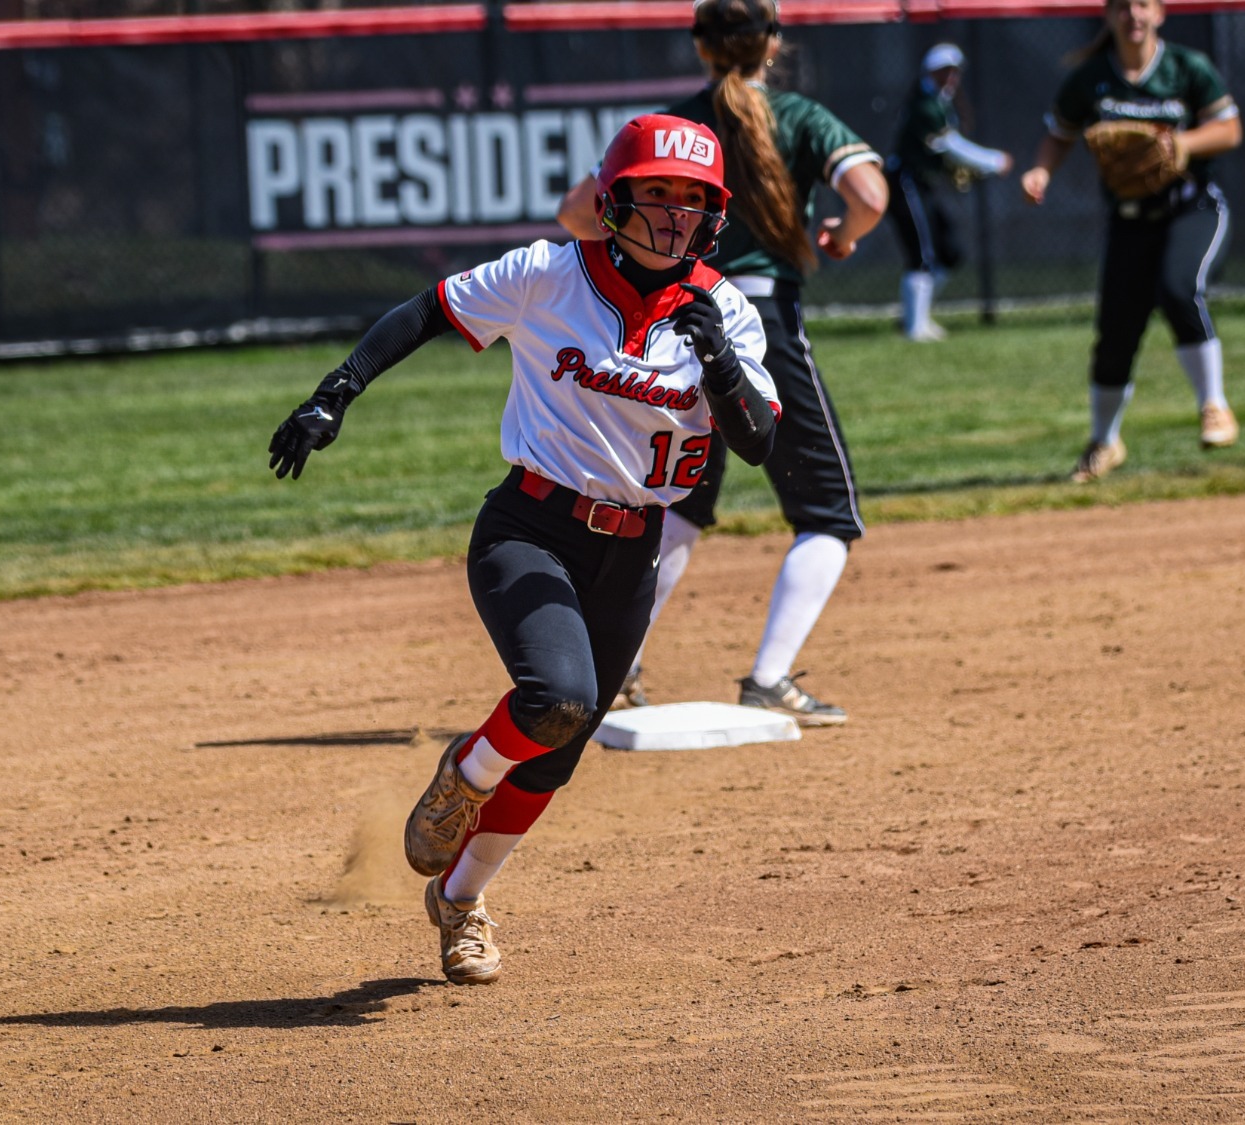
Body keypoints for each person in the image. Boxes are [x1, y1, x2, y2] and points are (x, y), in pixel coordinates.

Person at [269, 116, 780, 985]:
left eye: (693, 198)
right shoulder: (549, 273)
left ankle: (459, 900)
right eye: (657, 191)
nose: (674, 212)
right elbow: (428, 309)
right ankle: (464, 774)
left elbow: (759, 440)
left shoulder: (724, 309)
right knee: (557, 697)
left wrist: (721, 360)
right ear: (614, 198)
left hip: (634, 551)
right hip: (531, 528)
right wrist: (335, 392)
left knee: (559, 749)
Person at [558, 0, 888, 726]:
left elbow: (578, 212)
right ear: (773, 42)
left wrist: (644, 253)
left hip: (678, 319)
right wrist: (842, 235)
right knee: (828, 514)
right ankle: (769, 678)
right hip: (759, 319)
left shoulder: (672, 127)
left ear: (699, 45)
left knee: (679, 501)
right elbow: (870, 193)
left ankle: (614, 666)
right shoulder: (798, 115)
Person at [1019, 0, 1244, 483]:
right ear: (1108, 15)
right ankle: (1104, 442)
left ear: (1160, 13)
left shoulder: (1186, 67)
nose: (1133, 16)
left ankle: (1214, 406)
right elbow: (1059, 132)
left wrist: (1184, 144)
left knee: (1178, 287)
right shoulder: (1092, 78)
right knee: (1116, 331)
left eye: (1143, 4)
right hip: (1129, 218)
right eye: (1122, 6)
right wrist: (1041, 171)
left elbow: (1229, 129)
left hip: (1191, 207)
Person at [888, 42, 1013, 342]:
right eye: (945, 70)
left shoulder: (942, 102)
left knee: (950, 252)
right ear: (930, 71)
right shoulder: (925, 104)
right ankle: (914, 327)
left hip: (926, 184)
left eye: (955, 71)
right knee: (922, 254)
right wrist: (993, 161)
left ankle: (916, 316)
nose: (952, 77)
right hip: (906, 182)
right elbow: (951, 146)